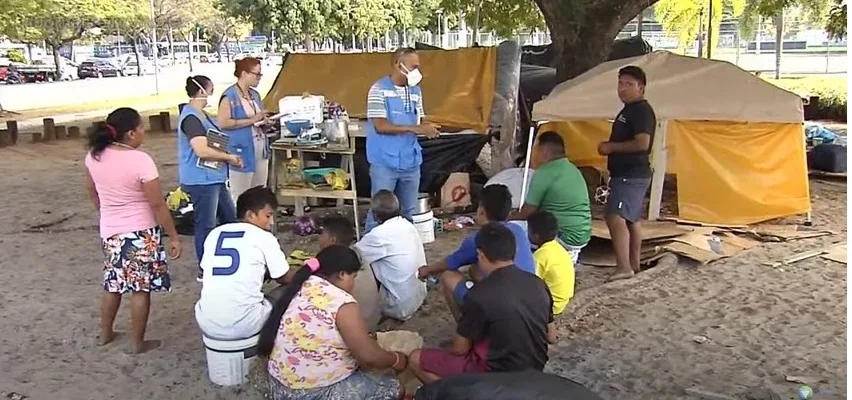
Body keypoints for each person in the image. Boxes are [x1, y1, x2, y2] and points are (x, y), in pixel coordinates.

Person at [83, 107, 182, 354]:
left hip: (111, 231)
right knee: (140, 288)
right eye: (141, 128)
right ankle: (138, 343)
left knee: (113, 284)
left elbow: (93, 193)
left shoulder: (94, 155)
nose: (143, 132)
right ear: (130, 133)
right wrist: (173, 235)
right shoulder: (141, 160)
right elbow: (157, 203)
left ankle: (105, 334)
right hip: (140, 232)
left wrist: (107, 212)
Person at [408, 223, 556, 384]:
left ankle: (458, 393)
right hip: (535, 368)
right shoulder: (538, 284)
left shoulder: (480, 295)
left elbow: (459, 350)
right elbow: (551, 336)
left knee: (415, 358)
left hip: (496, 374)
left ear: (480, 255)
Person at [258, 245, 408, 400]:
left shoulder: (302, 285)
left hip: (278, 387)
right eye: (353, 277)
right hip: (312, 394)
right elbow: (369, 358)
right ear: (342, 274)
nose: (353, 284)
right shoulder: (341, 302)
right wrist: (396, 359)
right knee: (394, 387)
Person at [418, 184, 535, 320]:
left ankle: (466, 330)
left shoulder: (478, 239)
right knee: (474, 269)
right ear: (508, 212)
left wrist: (427, 270)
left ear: (481, 212)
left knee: (448, 277)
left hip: (501, 305)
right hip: (528, 301)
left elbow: (450, 263)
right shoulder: (518, 230)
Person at [194, 186, 294, 340]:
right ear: (250, 215)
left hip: (206, 322)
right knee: (293, 288)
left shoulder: (215, 233)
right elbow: (284, 277)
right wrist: (307, 272)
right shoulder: (264, 237)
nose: (271, 222)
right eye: (268, 216)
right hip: (245, 324)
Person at [364, 47, 441, 233]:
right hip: (385, 162)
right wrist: (416, 128)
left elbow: (419, 120)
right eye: (414, 66)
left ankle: (402, 253)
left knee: (407, 214)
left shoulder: (415, 91)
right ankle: (367, 254)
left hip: (410, 161)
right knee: (379, 214)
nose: (418, 71)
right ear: (399, 65)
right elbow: (380, 126)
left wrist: (429, 127)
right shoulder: (378, 90)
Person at [178, 75, 243, 281]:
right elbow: (201, 149)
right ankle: (204, 268)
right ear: (202, 90)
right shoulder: (191, 118)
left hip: (213, 177)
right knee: (205, 224)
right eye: (210, 88)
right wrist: (229, 157)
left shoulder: (202, 115)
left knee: (230, 219)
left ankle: (230, 260)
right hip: (202, 180)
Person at [596, 65, 656, 281]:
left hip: (630, 174)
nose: (622, 89)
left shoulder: (640, 110)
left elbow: (642, 143)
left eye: (628, 84)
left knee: (615, 216)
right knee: (631, 219)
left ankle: (624, 266)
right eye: (620, 84)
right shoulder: (630, 110)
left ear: (641, 88)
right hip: (629, 173)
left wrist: (612, 147)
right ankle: (633, 264)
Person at [509, 131, 591, 264]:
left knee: (511, 228)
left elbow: (528, 212)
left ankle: (524, 266)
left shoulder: (544, 173)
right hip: (582, 237)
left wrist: (507, 218)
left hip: (562, 236)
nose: (535, 154)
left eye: (537, 150)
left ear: (545, 152)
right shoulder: (573, 170)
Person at [355, 190, 427, 321]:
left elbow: (353, 254)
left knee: (359, 264)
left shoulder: (378, 235)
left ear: (375, 216)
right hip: (418, 296)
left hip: (399, 306)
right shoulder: (407, 225)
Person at [218, 57, 272, 203]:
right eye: (256, 74)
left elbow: (257, 119)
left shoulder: (255, 95)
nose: (259, 78)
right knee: (241, 195)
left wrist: (265, 122)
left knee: (260, 192)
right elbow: (223, 122)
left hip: (260, 147)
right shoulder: (229, 96)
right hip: (240, 150)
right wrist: (252, 120)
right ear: (243, 73)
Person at [318, 216, 382, 332]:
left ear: (332, 240)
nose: (320, 239)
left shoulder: (335, 265)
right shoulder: (357, 253)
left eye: (322, 234)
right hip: (372, 321)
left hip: (357, 329)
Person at [528, 211, 574, 316]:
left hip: (551, 306)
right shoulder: (557, 247)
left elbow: (529, 282)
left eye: (528, 230)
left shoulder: (540, 256)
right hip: (562, 301)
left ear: (535, 236)